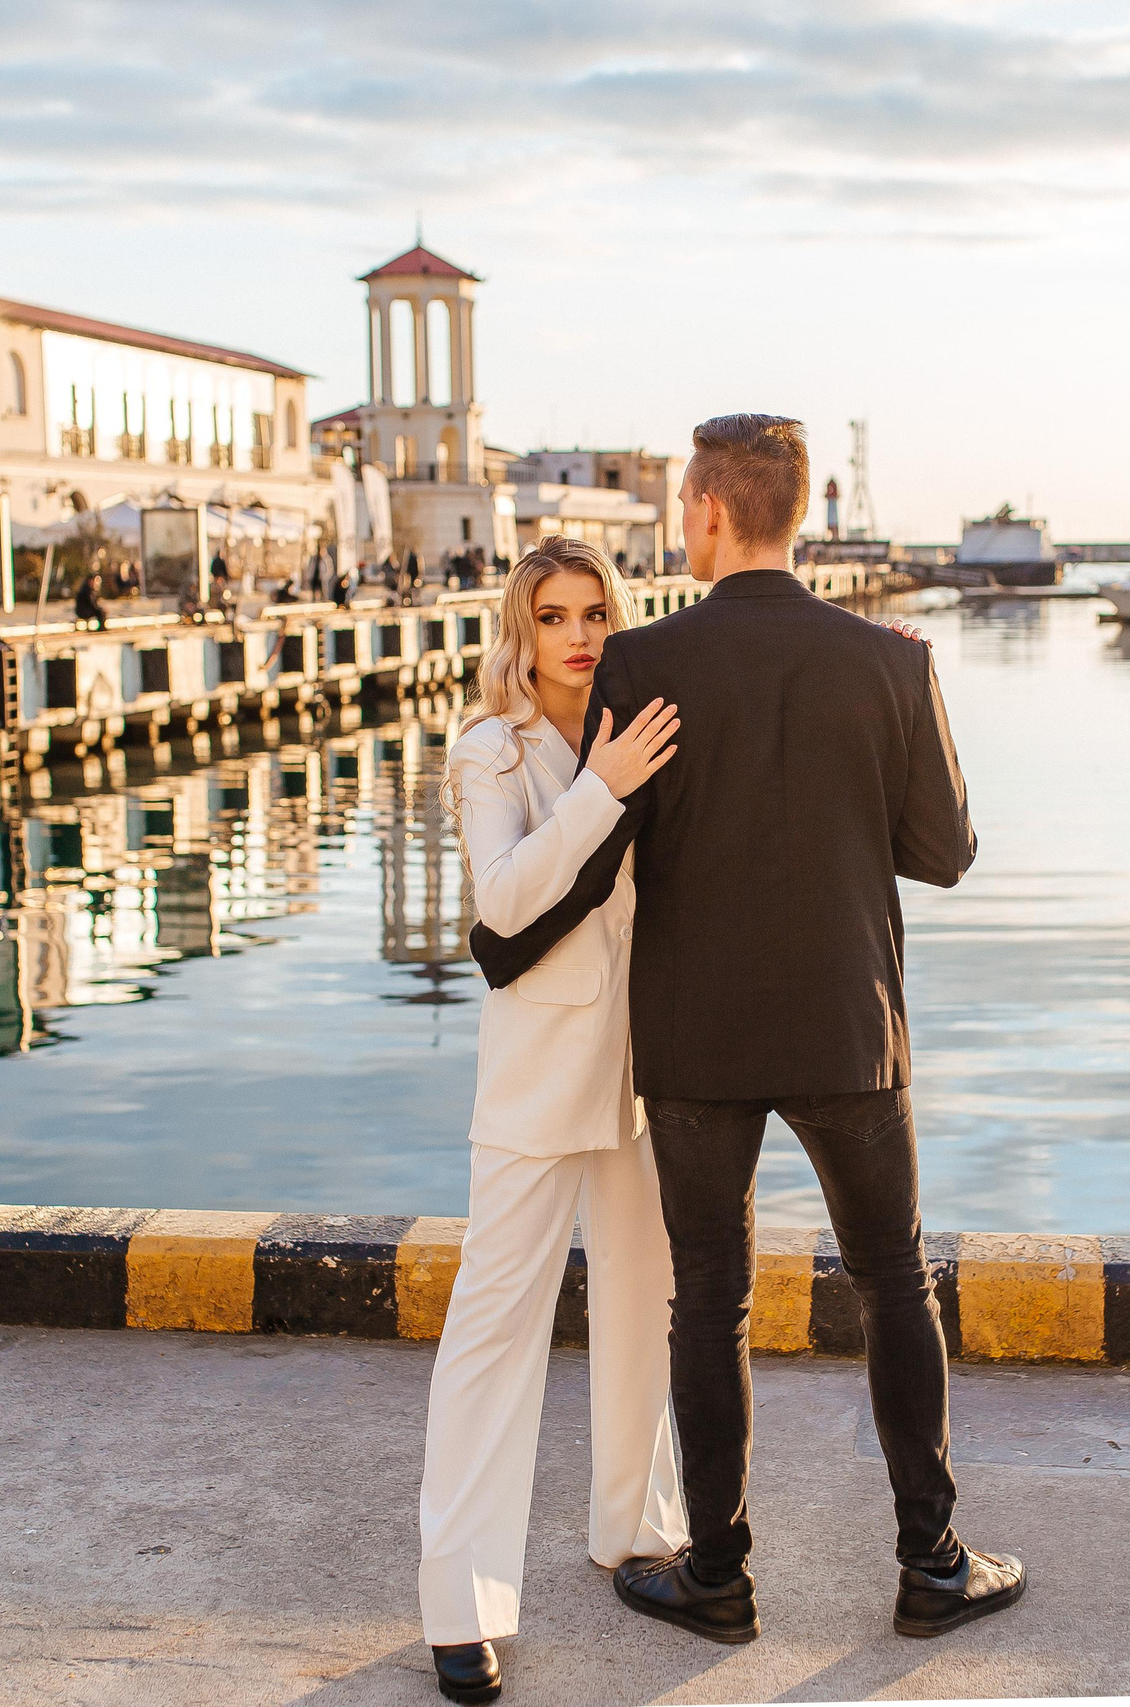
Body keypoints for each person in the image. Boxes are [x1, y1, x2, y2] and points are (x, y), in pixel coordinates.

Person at [471, 414, 1012, 1646]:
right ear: (800, 514)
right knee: (893, 1280)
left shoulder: (642, 662)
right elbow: (944, 854)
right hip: (846, 1025)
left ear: (710, 511)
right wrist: (903, 713)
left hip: (694, 1036)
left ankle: (715, 1575)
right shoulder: (889, 661)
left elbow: (605, 845)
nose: (678, 523)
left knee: (707, 1299)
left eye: (680, 504)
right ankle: (930, 1562)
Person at [420, 537, 688, 1706]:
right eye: (553, 616)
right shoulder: (491, 749)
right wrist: (603, 789)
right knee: (493, 1331)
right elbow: (506, 900)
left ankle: (636, 1531)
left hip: (644, 1064)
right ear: (519, 633)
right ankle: (461, 1607)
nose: (576, 636)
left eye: (593, 614)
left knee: (643, 1301)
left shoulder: (644, 726)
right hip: (536, 1071)